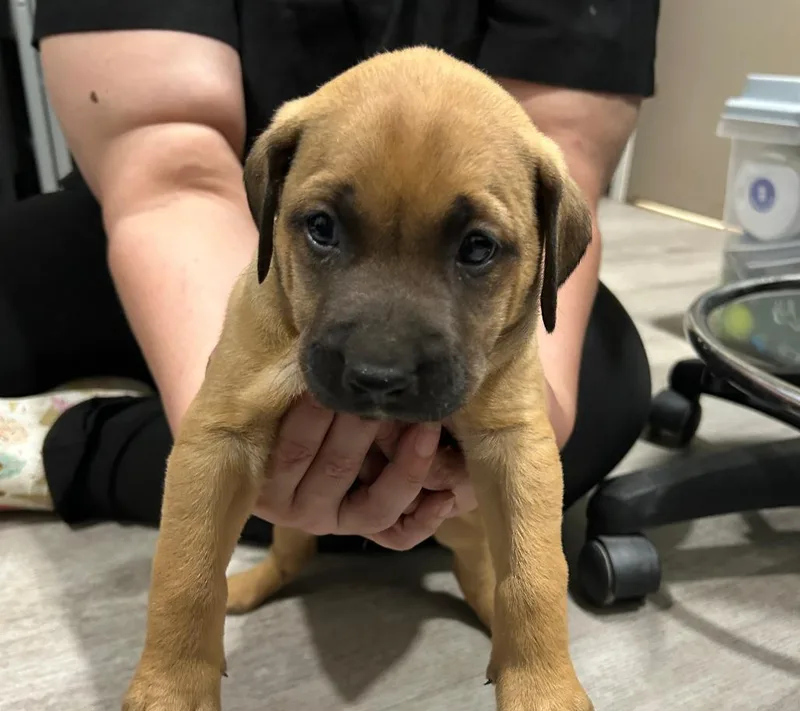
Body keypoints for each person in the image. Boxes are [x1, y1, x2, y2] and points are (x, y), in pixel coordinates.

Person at [0, 0, 658, 552]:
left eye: (476, 248)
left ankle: (82, 447)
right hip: (183, 220)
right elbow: (171, 170)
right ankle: (205, 449)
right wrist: (225, 401)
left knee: (596, 401)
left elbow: (557, 152)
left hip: (410, 260)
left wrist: (517, 423)